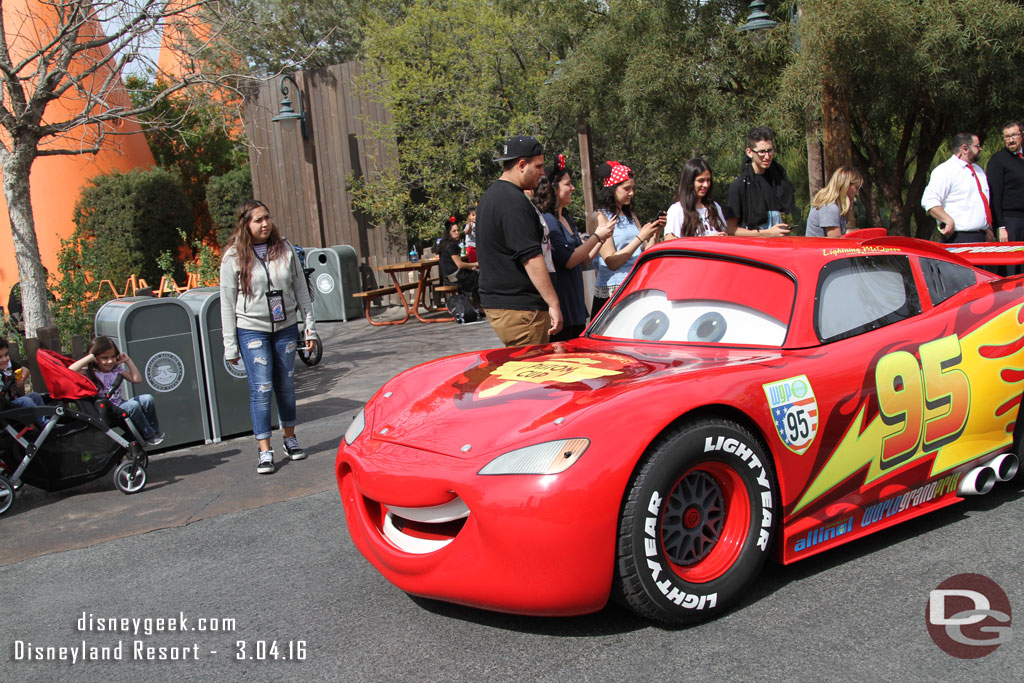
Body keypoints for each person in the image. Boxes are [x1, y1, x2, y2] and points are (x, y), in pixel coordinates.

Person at [220, 199, 315, 475]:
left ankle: (290, 438)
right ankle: (264, 450)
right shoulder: (233, 257)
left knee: (285, 385)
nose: (265, 224)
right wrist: (230, 346)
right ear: (245, 225)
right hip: (252, 328)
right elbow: (226, 303)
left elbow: (301, 290)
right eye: (258, 220)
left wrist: (310, 328)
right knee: (261, 388)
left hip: (285, 326)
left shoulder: (284, 249)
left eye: (267, 218)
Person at [477, 134, 562, 346]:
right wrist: (553, 302)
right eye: (539, 166)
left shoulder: (492, 196)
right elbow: (531, 257)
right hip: (520, 309)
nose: (543, 172)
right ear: (522, 164)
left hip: (507, 305)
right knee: (533, 374)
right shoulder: (513, 202)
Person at [533, 154, 613, 341]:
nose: (572, 188)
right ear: (553, 188)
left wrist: (602, 238)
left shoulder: (566, 218)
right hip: (563, 307)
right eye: (568, 184)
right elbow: (569, 260)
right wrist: (596, 237)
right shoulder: (549, 222)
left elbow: (583, 260)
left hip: (575, 306)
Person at [588, 161, 666, 315]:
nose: (631, 193)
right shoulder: (600, 217)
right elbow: (611, 261)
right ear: (612, 189)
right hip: (612, 292)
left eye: (632, 188)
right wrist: (639, 237)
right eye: (626, 189)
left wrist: (655, 233)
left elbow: (645, 253)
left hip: (635, 286)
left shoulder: (630, 216)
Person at [69, 336, 164, 446]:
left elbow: (137, 379)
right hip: (109, 409)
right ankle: (148, 435)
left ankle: (154, 431)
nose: (110, 361)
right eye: (104, 358)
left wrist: (128, 361)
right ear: (96, 358)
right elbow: (70, 371)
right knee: (133, 405)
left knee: (148, 399)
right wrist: (89, 357)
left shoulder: (116, 370)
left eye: (113, 357)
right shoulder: (90, 372)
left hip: (120, 403)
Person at [724, 126, 798, 236]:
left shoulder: (778, 180)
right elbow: (730, 229)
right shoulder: (739, 186)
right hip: (753, 250)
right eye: (762, 152)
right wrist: (765, 233)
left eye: (770, 151)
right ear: (749, 152)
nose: (767, 156)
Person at [922, 132, 993, 244]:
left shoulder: (979, 171)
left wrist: (987, 228)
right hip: (958, 238)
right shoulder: (946, 170)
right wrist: (947, 220)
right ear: (964, 148)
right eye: (977, 146)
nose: (981, 149)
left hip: (981, 237)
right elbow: (929, 200)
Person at [663, 158, 728, 239]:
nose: (706, 185)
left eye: (708, 180)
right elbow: (670, 243)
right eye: (701, 180)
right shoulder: (677, 210)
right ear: (689, 182)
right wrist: (705, 240)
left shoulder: (715, 207)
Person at [987, 120, 1024, 248]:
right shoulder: (998, 160)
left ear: (1022, 134)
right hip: (1011, 221)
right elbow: (995, 195)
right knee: (1012, 264)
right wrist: (1000, 226)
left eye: (1014, 135)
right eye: (1007, 136)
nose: (1011, 140)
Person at [805, 166, 864, 237]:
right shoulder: (830, 208)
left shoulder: (835, 206)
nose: (857, 192)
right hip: (819, 247)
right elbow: (836, 242)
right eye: (856, 188)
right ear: (847, 185)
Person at [0, 336, 46, 425]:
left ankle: (49, 420)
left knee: (35, 396)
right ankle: (44, 424)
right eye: (0, 357)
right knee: (26, 401)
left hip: (12, 402)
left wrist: (21, 379)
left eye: (6, 355)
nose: (5, 359)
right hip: (4, 408)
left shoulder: (8, 366)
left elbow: (25, 370)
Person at [438, 215, 479, 301]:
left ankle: (475, 304)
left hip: (448, 277)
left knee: (474, 273)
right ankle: (479, 305)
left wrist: (471, 267)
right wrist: (475, 264)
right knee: (477, 276)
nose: (457, 232)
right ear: (449, 232)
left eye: (458, 230)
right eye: (454, 231)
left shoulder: (445, 243)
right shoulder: (450, 245)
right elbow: (460, 264)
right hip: (453, 278)